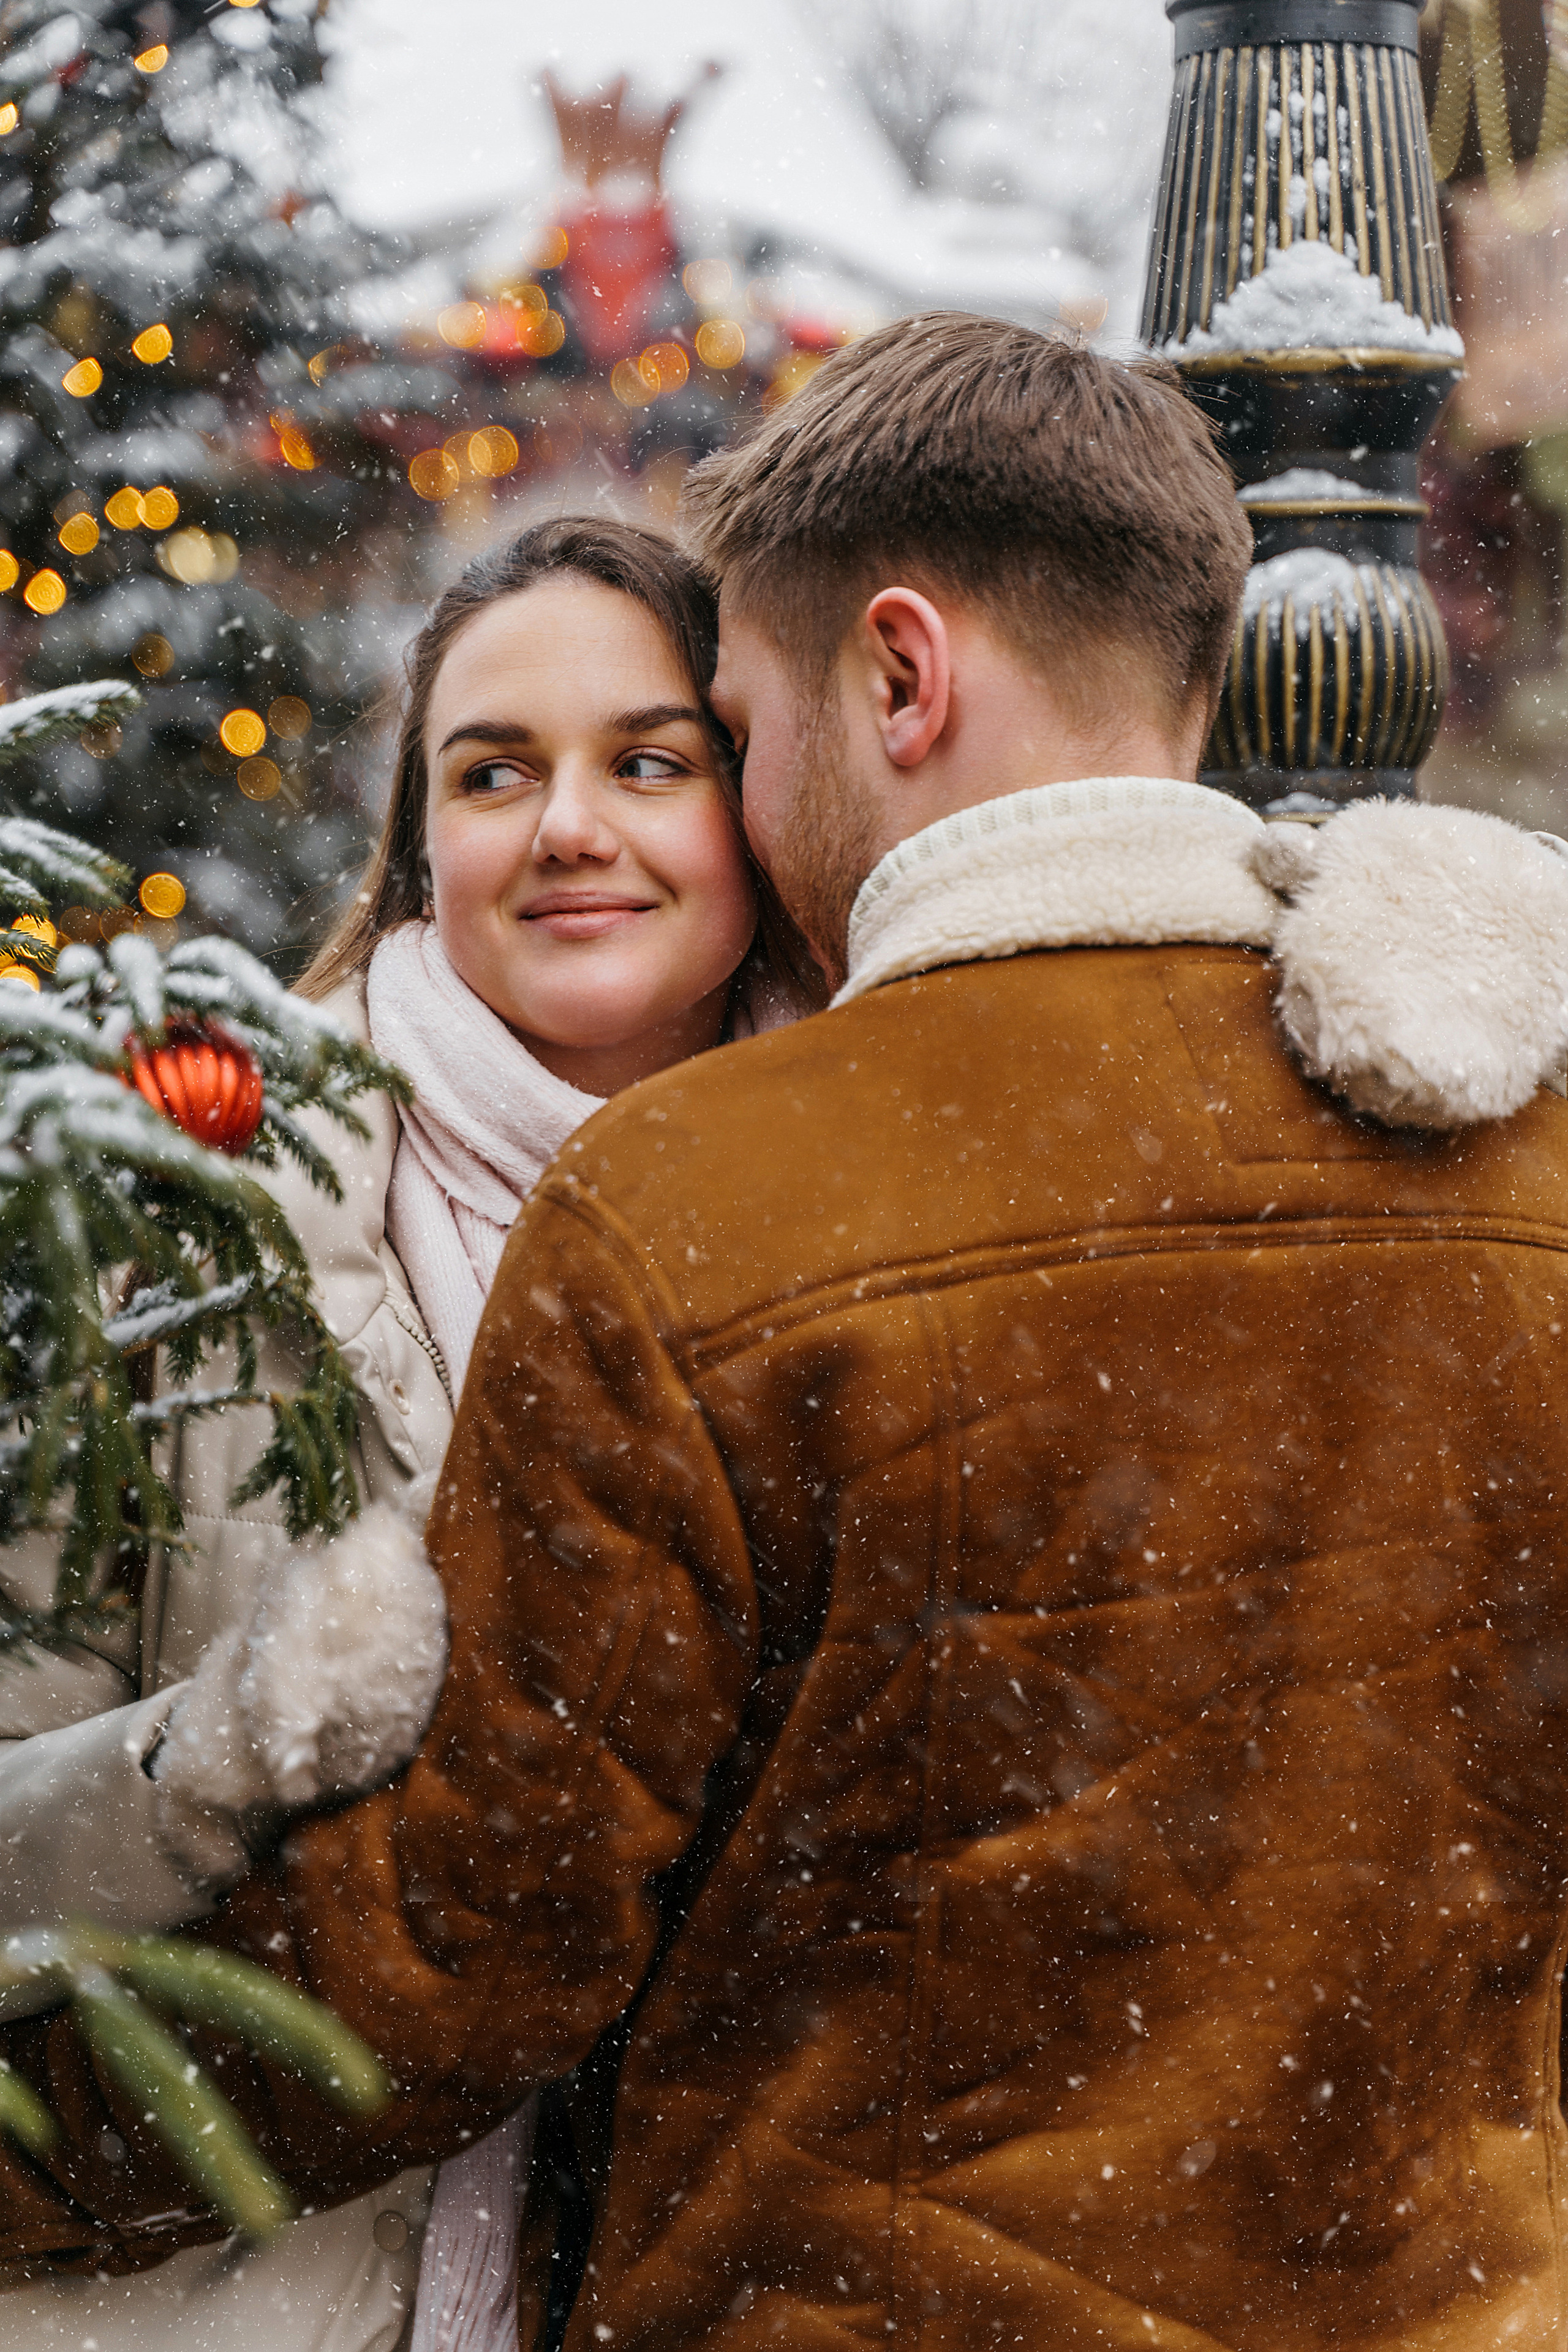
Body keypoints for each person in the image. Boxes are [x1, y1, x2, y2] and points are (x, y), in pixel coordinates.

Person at [9, 315, 1568, 2352]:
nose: (690, 801)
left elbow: (472, 1943)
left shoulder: (712, 1202)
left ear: (901, 674)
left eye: (718, 731)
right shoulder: (1512, 1153)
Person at [0, 516, 816, 2351]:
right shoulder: (188, 1219)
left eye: (650, 762)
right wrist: (214, 1759)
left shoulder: (876, 1232)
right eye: (493, 771)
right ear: (419, 844)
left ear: (757, 812)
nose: (568, 827)